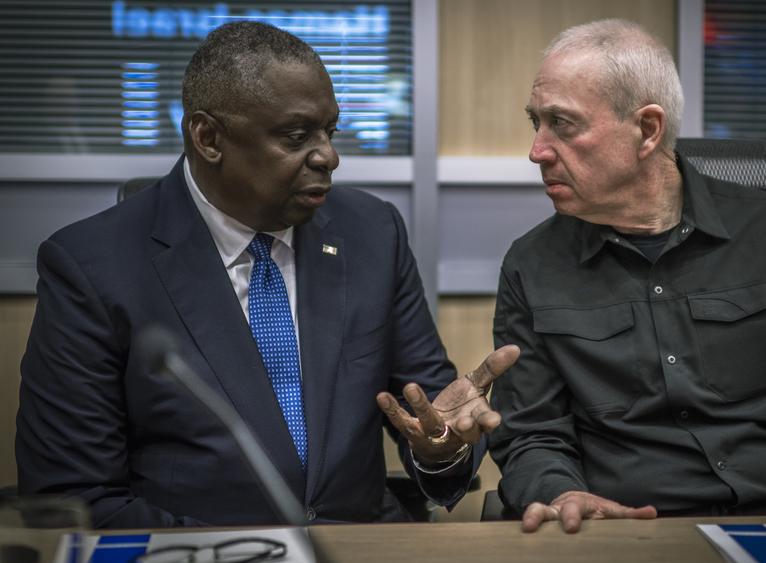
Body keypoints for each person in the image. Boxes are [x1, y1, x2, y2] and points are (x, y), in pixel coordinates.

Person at [16, 21, 518, 528]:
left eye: (329, 131)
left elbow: (429, 415)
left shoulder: (371, 233)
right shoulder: (92, 266)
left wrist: (440, 449)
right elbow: (74, 498)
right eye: (297, 136)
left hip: (363, 552)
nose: (328, 156)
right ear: (208, 137)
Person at [489, 19, 766, 534]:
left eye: (563, 124)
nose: (538, 150)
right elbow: (533, 433)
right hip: (627, 533)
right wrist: (562, 493)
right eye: (537, 123)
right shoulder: (532, 265)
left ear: (647, 129)